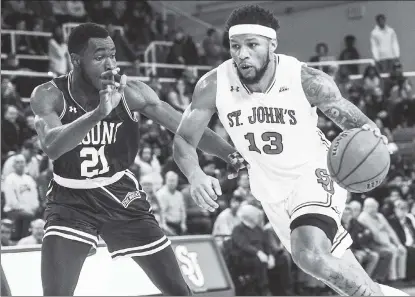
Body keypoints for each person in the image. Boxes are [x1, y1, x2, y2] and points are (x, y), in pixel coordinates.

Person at [173, 5, 408, 296]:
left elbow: (361, 126)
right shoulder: (213, 85)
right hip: (269, 188)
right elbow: (184, 139)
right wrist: (194, 174)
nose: (242, 54)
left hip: (314, 172)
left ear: (272, 44)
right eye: (235, 46)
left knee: (307, 254)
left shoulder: (306, 79)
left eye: (252, 45)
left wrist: (375, 147)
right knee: (333, 269)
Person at [30, 23, 242, 296]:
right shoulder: (49, 94)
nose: (110, 64)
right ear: (75, 60)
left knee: (178, 290)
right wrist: (97, 113)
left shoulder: (131, 92)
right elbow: (52, 146)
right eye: (99, 57)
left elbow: (185, 126)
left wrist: (229, 153)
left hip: (120, 195)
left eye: (113, 55)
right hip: (70, 199)